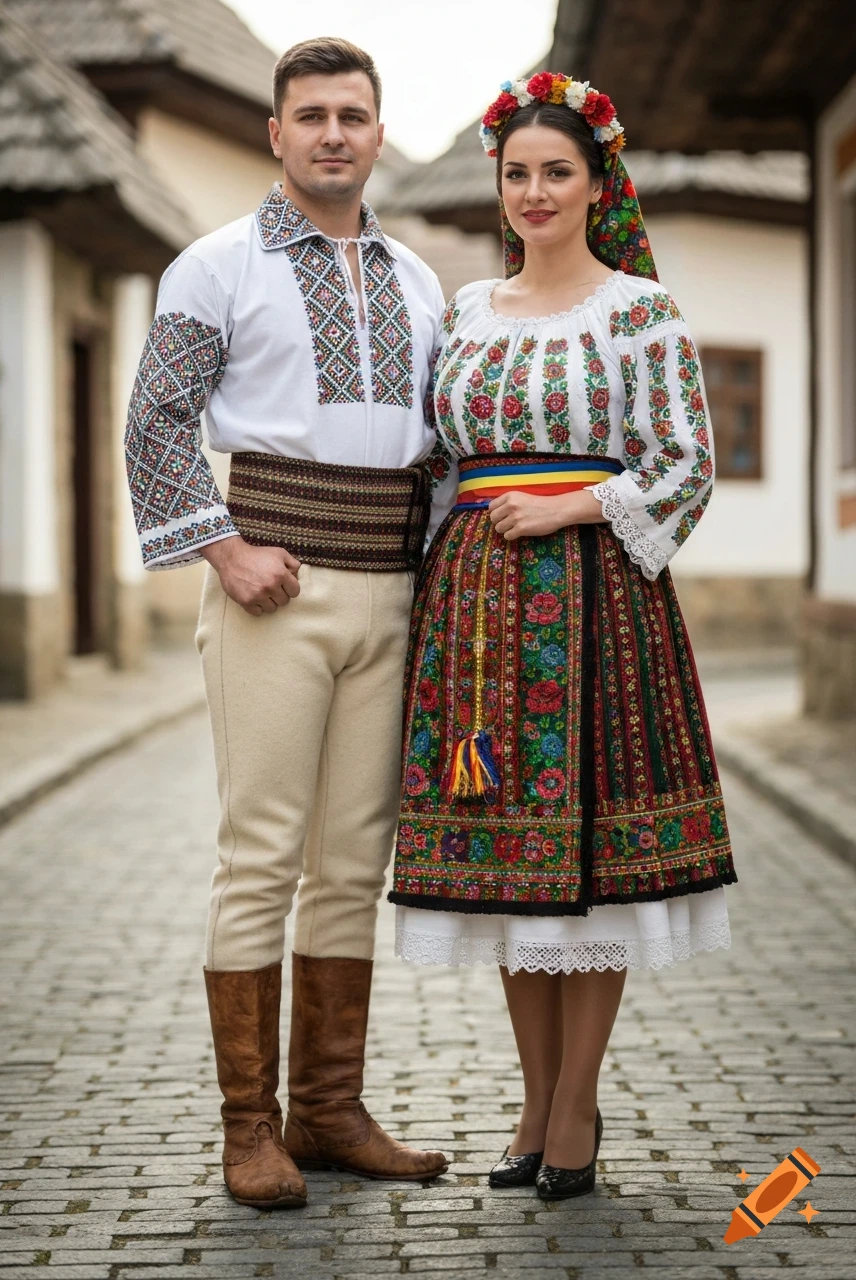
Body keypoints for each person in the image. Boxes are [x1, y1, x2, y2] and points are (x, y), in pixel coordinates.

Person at [389, 71, 738, 1202]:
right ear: (496, 186)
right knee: (509, 866)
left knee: (587, 870)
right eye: (517, 174)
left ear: (595, 184)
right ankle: (531, 1102)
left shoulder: (636, 310)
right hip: (481, 612)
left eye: (555, 172)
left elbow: (684, 463)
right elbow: (441, 461)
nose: (533, 191)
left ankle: (576, 1103)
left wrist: (573, 505)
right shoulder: (466, 313)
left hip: (596, 603)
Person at [124, 37, 449, 1210]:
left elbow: (443, 450)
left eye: (350, 115)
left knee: (352, 864)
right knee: (259, 854)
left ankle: (328, 1108)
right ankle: (248, 1124)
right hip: (274, 587)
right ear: (275, 134)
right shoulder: (213, 267)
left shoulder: (418, 282)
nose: (329, 132)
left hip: (390, 590)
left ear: (374, 133)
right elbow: (155, 422)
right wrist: (222, 546)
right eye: (307, 113)